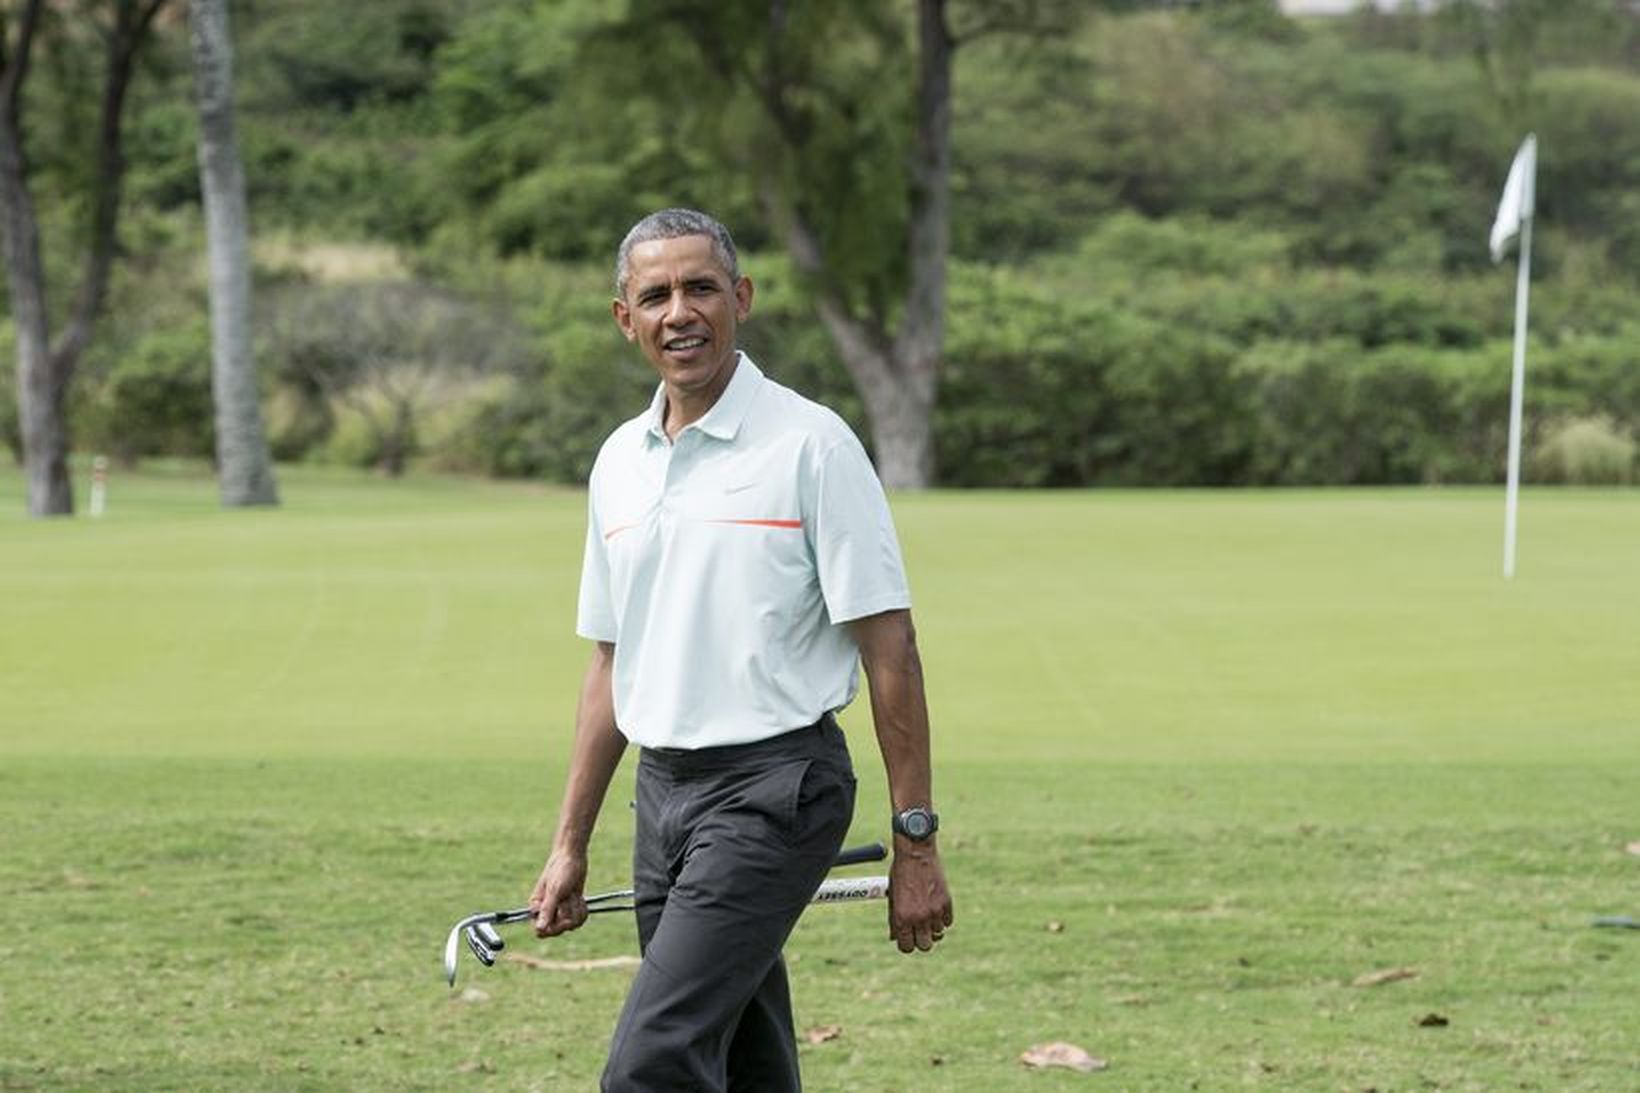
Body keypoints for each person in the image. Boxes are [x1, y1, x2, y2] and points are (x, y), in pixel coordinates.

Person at [528, 207, 952, 1093]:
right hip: (664, 796)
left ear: (741, 299)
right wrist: (570, 843)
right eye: (656, 294)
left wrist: (916, 839)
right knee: (744, 1056)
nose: (679, 310)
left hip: (777, 790)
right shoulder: (619, 462)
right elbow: (610, 665)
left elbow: (891, 648)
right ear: (625, 318)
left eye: (700, 287)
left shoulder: (812, 443)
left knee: (652, 1064)